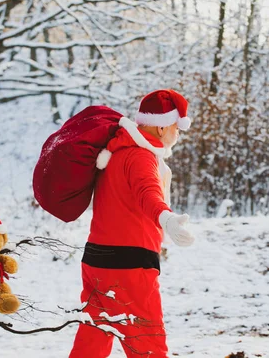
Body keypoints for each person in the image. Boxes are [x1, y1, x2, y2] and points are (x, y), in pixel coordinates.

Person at [69, 89, 195, 358]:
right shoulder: (141, 156)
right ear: (161, 127)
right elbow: (147, 192)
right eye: (176, 127)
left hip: (96, 261)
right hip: (130, 266)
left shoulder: (115, 151)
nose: (177, 134)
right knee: (148, 343)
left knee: (92, 341)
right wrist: (167, 218)